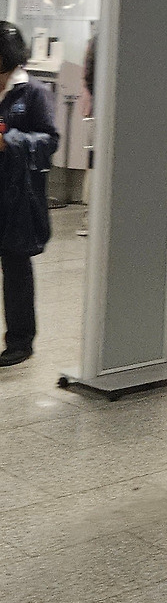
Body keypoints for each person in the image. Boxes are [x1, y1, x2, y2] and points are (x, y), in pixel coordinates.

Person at [0, 24, 60, 368]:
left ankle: (20, 342)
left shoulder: (33, 93)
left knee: (16, 266)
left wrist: (10, 141)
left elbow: (50, 140)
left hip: (18, 195)